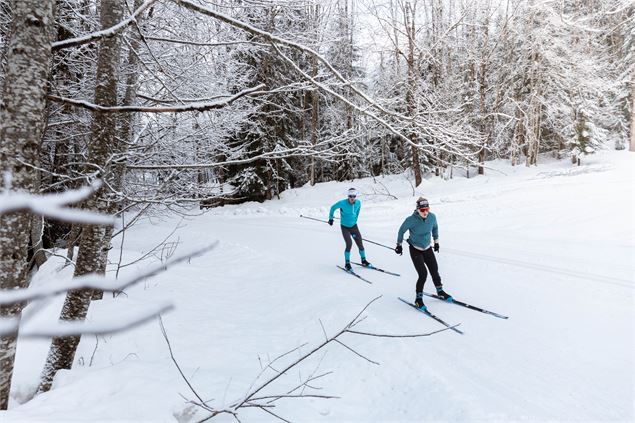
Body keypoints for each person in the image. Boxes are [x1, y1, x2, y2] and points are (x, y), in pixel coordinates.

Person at [395, 197, 452, 310]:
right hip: (415, 248)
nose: (425, 212)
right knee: (423, 274)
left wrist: (436, 242)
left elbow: (435, 228)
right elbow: (401, 231)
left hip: (427, 247)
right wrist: (399, 244)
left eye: (427, 209)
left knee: (434, 270)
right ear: (417, 210)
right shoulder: (410, 220)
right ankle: (418, 299)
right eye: (422, 210)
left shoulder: (432, 217)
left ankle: (440, 291)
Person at [328, 188, 371, 271]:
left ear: (356, 196)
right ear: (348, 196)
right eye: (350, 196)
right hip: (344, 227)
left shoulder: (358, 203)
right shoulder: (342, 203)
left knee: (360, 243)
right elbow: (332, 208)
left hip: (354, 226)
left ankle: (363, 260)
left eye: (354, 196)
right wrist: (330, 219)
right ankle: (347, 263)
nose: (352, 198)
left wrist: (354, 220)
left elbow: (357, 212)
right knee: (349, 243)